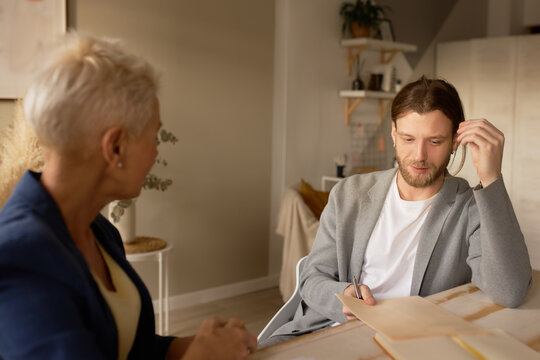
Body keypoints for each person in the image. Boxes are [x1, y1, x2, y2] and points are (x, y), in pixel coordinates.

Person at [0, 33, 257, 359]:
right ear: (116, 146)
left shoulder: (101, 232)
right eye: (154, 136)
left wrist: (186, 347)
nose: (155, 153)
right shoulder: (18, 259)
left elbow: (125, 346)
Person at [259, 76, 532, 348]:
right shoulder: (348, 194)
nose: (419, 155)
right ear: (393, 134)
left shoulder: (469, 206)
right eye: (408, 139)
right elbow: (311, 278)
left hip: (408, 346)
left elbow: (510, 290)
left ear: (454, 142)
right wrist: (342, 295)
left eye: (435, 141)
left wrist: (492, 178)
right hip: (332, 330)